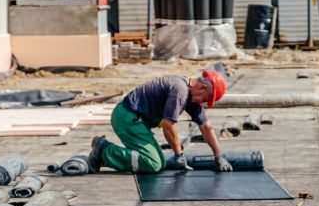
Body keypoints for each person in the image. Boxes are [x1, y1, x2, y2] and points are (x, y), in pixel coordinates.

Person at [88, 70, 233, 174]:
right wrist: (179, 154)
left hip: (137, 120)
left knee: (160, 163)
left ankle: (105, 155)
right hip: (127, 117)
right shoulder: (180, 91)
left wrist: (218, 156)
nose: (203, 103)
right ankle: (104, 151)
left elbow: (206, 127)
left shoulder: (191, 96)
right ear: (203, 88)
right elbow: (167, 126)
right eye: (205, 99)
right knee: (153, 164)